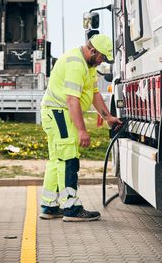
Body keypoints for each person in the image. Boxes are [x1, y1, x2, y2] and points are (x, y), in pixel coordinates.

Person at [39, 34, 122, 222]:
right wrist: (82, 130)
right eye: (101, 57)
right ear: (92, 50)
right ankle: (71, 208)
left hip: (58, 113)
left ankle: (50, 205)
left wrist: (107, 117)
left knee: (57, 159)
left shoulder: (88, 65)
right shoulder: (76, 64)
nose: (102, 62)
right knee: (68, 159)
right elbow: (71, 99)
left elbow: (94, 94)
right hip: (58, 113)